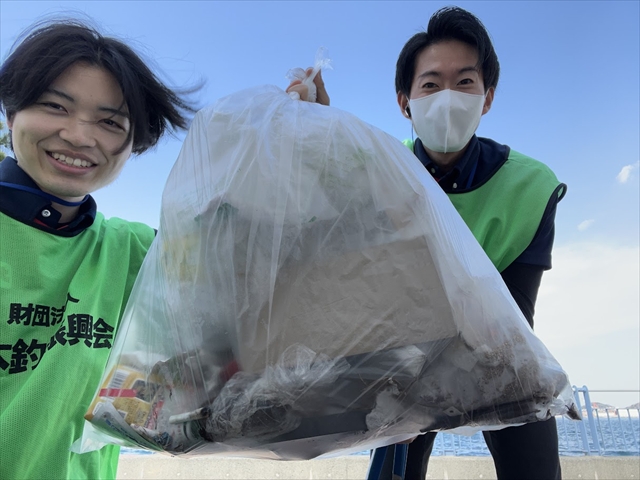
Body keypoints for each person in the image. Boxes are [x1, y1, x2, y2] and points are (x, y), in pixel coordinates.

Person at [289, 6, 566, 480]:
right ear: (405, 102)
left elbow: (515, 316)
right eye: (431, 84)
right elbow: (321, 195)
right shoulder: (379, 172)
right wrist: (312, 126)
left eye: (465, 82)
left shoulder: (531, 187)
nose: (448, 98)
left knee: (534, 458)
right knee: (394, 465)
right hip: (401, 358)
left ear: (487, 97)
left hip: (499, 354)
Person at [0, 20, 197, 480]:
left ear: (134, 146)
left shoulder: (137, 251)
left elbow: (262, 269)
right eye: (55, 106)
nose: (78, 136)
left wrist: (301, 143)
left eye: (110, 122)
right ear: (11, 115)